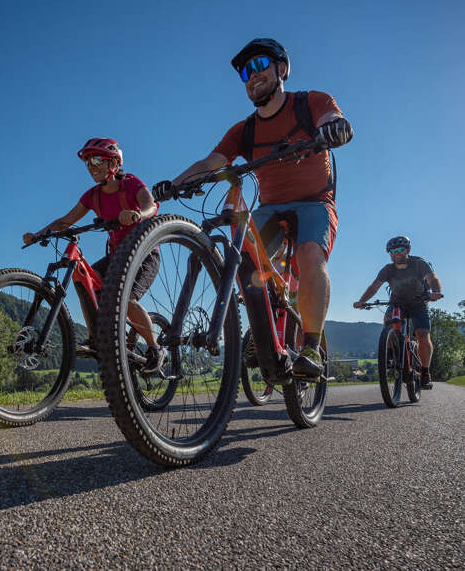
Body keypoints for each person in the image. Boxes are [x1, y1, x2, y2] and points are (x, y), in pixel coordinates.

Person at [154, 38, 353, 377]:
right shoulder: (244, 130)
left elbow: (331, 117)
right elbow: (213, 161)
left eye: (260, 65)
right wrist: (174, 184)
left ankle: (311, 347)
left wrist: (334, 127)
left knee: (309, 255)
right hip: (271, 207)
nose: (252, 76)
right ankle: (262, 330)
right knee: (244, 260)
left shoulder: (311, 102)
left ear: (282, 69)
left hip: (315, 202)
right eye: (246, 72)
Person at [23, 138, 166, 373]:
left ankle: (155, 349)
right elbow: (65, 222)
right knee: (83, 278)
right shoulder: (93, 196)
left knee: (126, 299)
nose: (92, 166)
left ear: (114, 163)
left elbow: (151, 205)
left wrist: (137, 215)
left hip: (145, 254)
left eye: (97, 160)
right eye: (88, 162)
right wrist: (39, 234)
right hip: (117, 256)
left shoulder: (131, 184)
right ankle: (95, 340)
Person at [353, 236, 443, 388]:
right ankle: (388, 357)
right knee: (388, 324)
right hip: (397, 303)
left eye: (400, 250)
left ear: (407, 250)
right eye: (393, 251)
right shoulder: (388, 270)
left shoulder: (419, 264)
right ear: (390, 254)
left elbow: (432, 278)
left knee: (422, 334)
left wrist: (436, 291)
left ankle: (425, 371)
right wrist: (362, 301)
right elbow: (374, 286)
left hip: (418, 303)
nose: (397, 253)